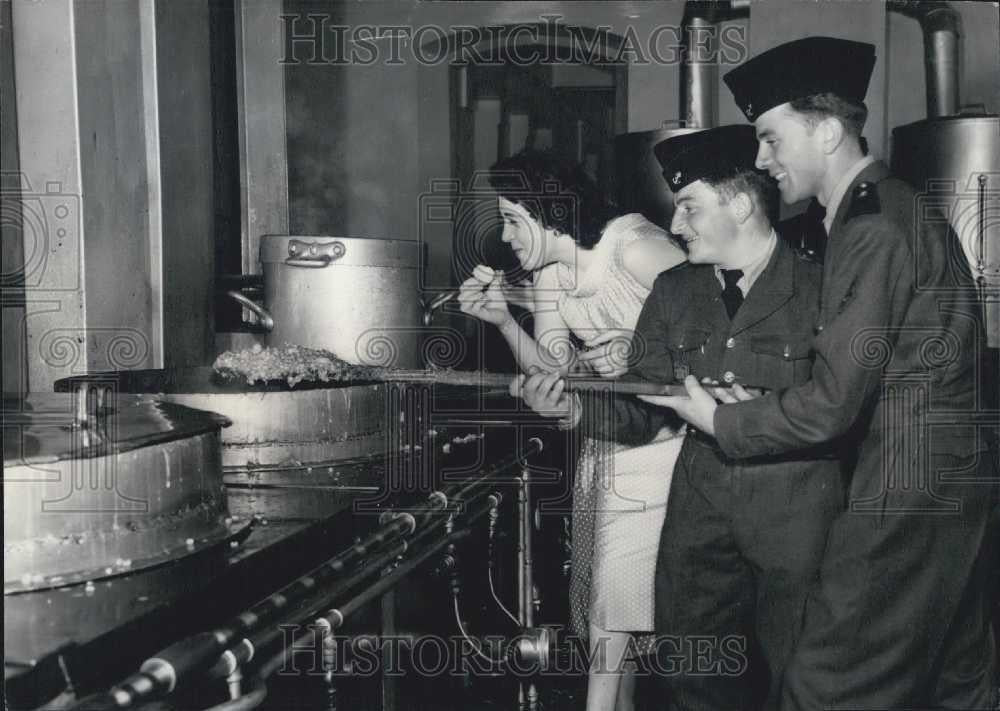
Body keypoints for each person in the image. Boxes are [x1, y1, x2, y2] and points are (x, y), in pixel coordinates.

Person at [653, 37, 997, 708]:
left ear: (830, 130)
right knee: (960, 685)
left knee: (825, 686)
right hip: (952, 481)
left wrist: (720, 418)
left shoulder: (870, 228)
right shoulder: (897, 207)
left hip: (907, 489)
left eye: (772, 138)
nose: (760, 159)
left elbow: (836, 402)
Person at [512, 124, 843, 710]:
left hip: (793, 518)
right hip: (699, 519)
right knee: (693, 678)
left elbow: (845, 412)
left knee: (801, 678)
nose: (675, 226)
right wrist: (571, 408)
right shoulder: (674, 291)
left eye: (689, 207)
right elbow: (641, 414)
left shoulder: (823, 289)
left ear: (740, 204)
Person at [458, 150, 687, 711]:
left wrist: (641, 349)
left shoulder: (635, 247)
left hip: (668, 446)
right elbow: (551, 369)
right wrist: (503, 320)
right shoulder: (549, 274)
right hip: (605, 444)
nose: (507, 236)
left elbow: (714, 321)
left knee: (615, 601)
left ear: (547, 210)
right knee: (609, 616)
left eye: (513, 218)